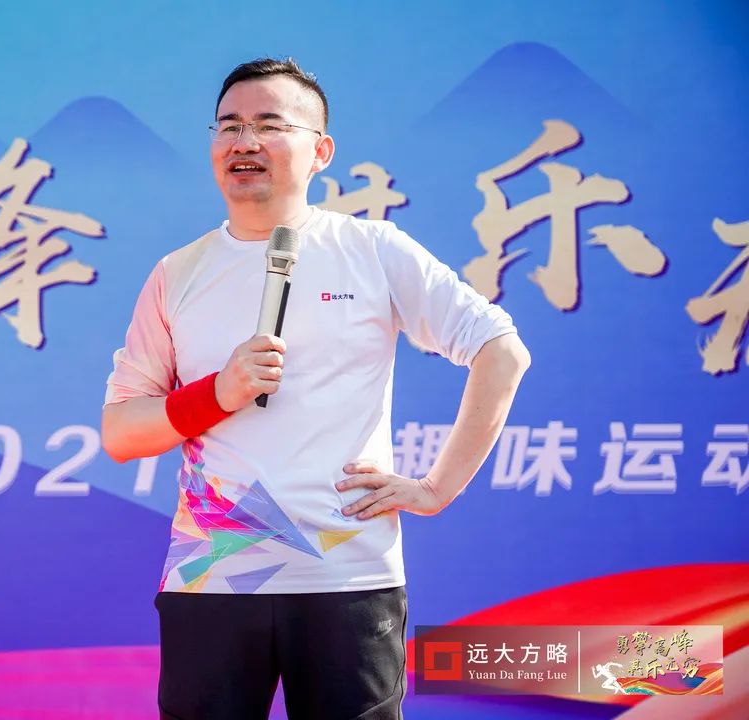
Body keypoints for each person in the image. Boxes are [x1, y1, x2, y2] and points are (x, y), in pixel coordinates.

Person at [102, 57, 530, 720]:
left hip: (348, 575)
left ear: (320, 151)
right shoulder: (177, 273)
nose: (244, 142)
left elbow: (501, 351)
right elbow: (121, 431)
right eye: (229, 126)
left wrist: (437, 487)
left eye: (269, 125)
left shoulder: (372, 249)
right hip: (212, 577)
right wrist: (218, 393)